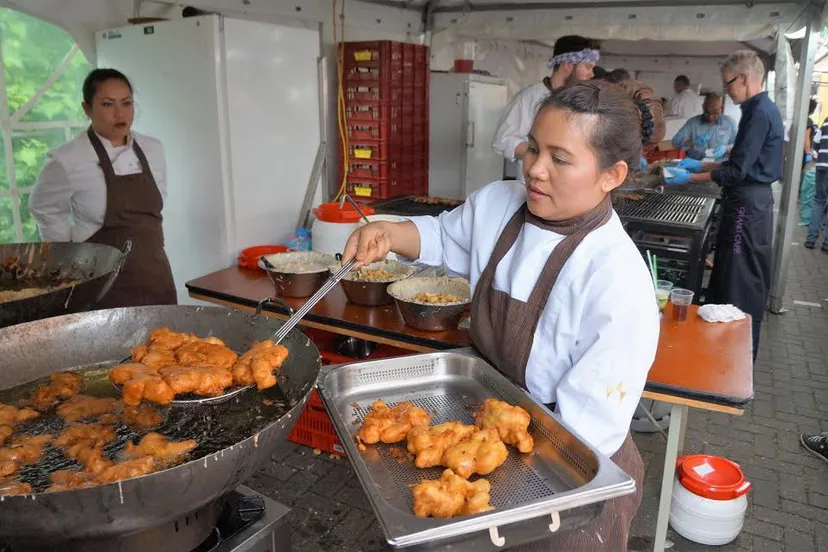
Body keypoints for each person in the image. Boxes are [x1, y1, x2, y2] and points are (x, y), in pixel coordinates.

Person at [344, 81, 660, 550]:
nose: (535, 169)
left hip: (568, 471)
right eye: (533, 148)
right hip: (485, 420)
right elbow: (444, 237)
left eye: (560, 158)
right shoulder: (499, 203)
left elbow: (586, 432)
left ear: (611, 175)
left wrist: (492, 467)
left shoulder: (616, 279)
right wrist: (389, 233)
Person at [665, 51, 783, 359]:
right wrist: (700, 164)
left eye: (727, 83)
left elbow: (736, 172)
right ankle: (721, 349)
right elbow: (739, 161)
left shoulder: (759, 113)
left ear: (743, 79)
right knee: (729, 272)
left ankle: (735, 354)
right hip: (748, 201)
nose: (726, 90)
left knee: (739, 279)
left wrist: (690, 177)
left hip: (748, 206)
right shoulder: (758, 110)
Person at [30, 68, 176, 308]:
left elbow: (157, 203)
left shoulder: (153, 149)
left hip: (155, 277)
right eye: (108, 104)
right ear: (88, 109)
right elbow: (44, 208)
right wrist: (68, 256)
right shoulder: (67, 159)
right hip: (100, 285)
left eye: (126, 103)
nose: (120, 113)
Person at [492, 35, 599, 177]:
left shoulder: (581, 102)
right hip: (534, 182)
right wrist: (544, 152)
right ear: (568, 65)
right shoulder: (530, 97)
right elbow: (502, 141)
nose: (591, 74)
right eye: (588, 67)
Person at [671, 93, 738, 160]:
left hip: (721, 163)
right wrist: (692, 142)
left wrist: (726, 149)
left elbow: (740, 145)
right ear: (703, 107)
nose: (710, 117)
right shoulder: (692, 123)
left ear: (721, 108)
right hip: (696, 163)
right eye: (707, 112)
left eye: (715, 113)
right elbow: (676, 141)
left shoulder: (730, 123)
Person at [805, 116, 828, 250]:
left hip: (822, 167)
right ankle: (826, 244)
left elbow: (815, 147)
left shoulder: (825, 125)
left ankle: (810, 240)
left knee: (819, 201)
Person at [799, 99, 818, 226]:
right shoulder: (809, 121)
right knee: (806, 179)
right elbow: (807, 138)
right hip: (803, 153)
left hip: (797, 152)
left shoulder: (800, 119)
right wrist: (808, 152)